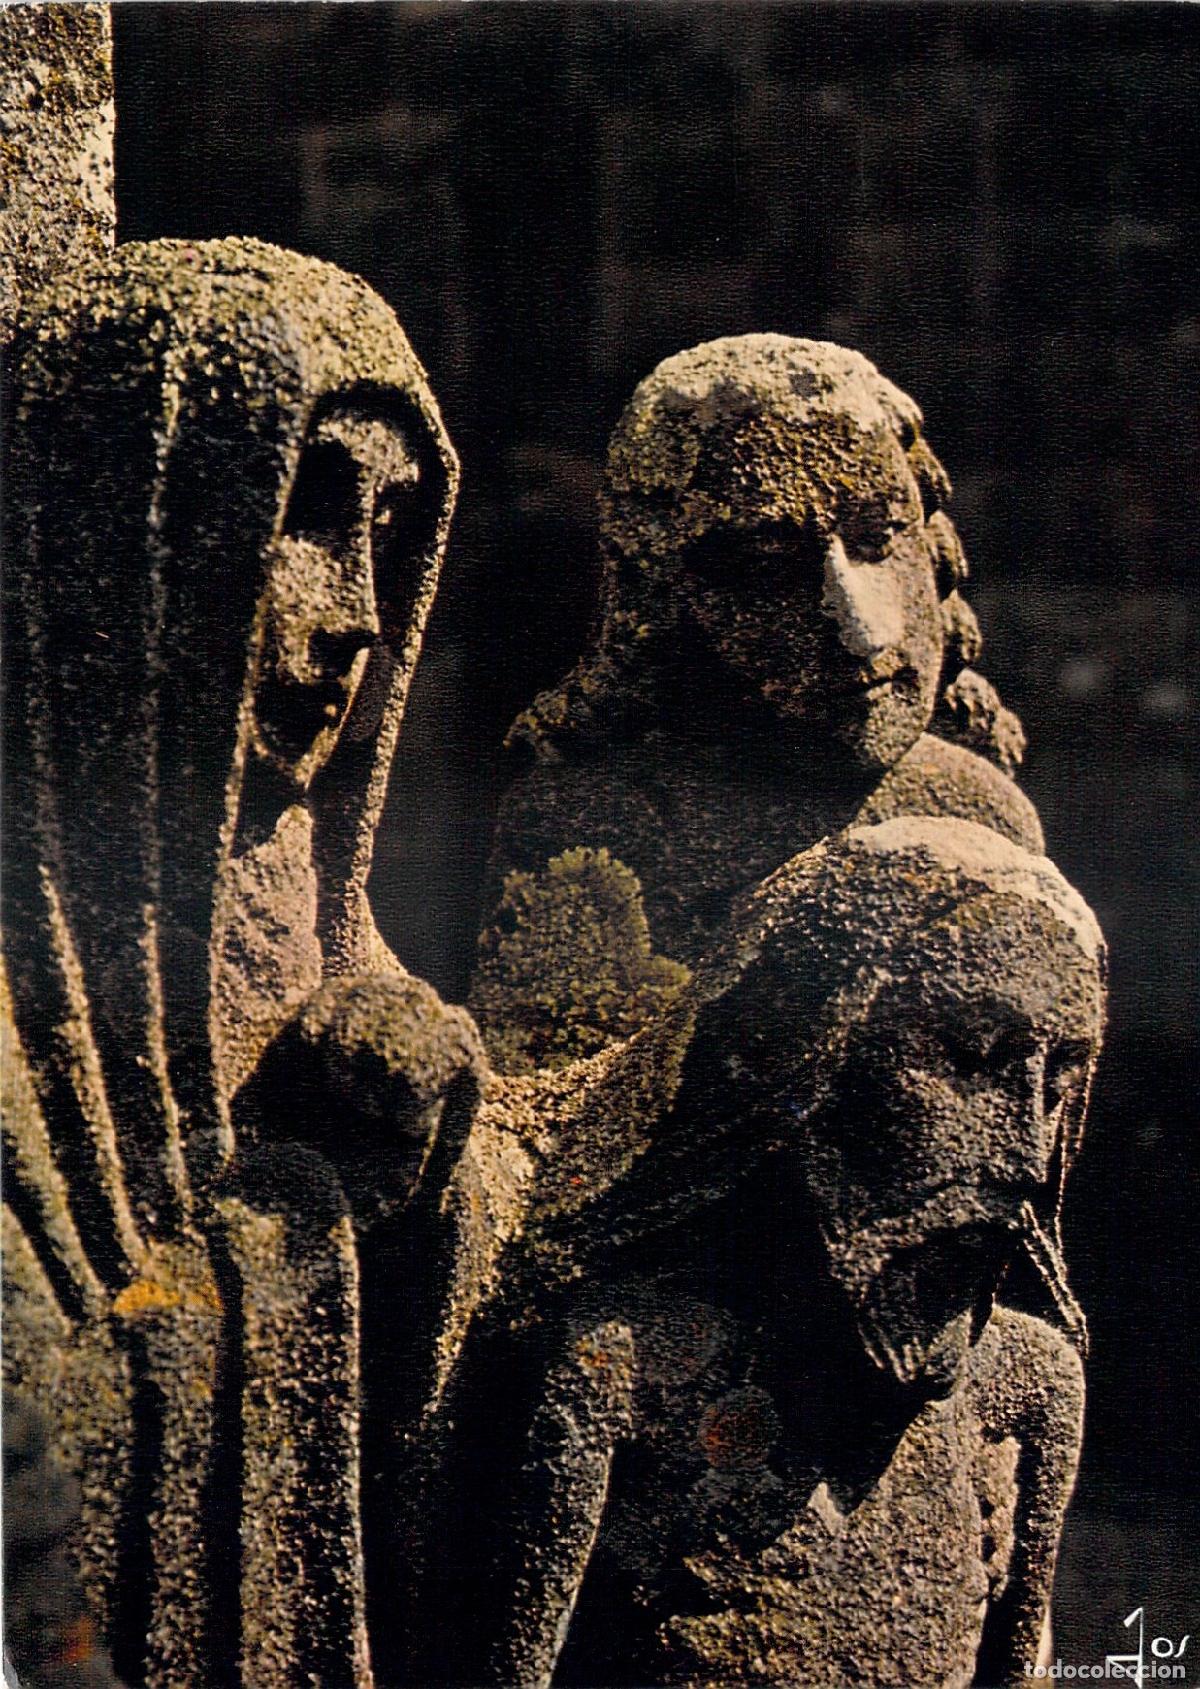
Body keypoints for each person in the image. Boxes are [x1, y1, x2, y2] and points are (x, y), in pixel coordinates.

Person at [1, 236, 480, 1687]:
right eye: (304, 516)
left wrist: (433, 1160)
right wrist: (286, 1219)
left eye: (389, 536)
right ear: (122, 548)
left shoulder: (312, 922)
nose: (360, 615)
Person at [421, 818, 1106, 1689]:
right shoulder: (626, 1367)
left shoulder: (1028, 1385)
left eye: (1059, 1083)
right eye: (973, 1058)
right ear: (804, 1056)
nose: (1024, 1150)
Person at [472, 335, 1039, 1070]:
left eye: (876, 539)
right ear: (661, 595)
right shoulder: (596, 823)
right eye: (770, 566)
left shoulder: (978, 815)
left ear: (930, 545)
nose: (860, 628)